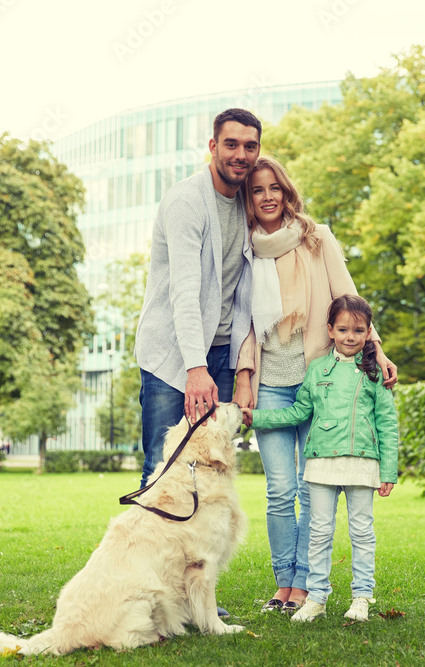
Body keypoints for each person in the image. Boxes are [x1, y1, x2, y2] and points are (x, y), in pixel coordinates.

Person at [235, 157, 397, 614]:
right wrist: (244, 376)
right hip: (270, 381)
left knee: (311, 489)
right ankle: (283, 583)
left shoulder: (316, 237)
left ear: (287, 193)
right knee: (280, 490)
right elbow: (242, 320)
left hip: (315, 380)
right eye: (257, 190)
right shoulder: (245, 249)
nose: (267, 196)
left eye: (274, 188)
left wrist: (377, 348)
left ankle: (306, 587)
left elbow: (349, 295)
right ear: (248, 199)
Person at [243, 294, 398, 622]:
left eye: (358, 330)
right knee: (319, 532)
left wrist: (389, 471)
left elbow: (387, 423)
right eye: (343, 329)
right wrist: (256, 419)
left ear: (369, 332)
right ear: (329, 330)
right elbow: (299, 411)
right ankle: (316, 597)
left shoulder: (373, 373)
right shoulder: (316, 370)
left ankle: (362, 597)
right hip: (321, 464)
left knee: (361, 531)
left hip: (362, 463)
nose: (350, 336)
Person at [134, 107, 261, 488]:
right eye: (231, 144)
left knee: (214, 462)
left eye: (250, 146)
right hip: (173, 353)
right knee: (164, 462)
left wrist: (243, 372)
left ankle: (198, 547)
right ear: (212, 146)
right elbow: (185, 293)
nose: (241, 154)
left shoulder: (248, 203)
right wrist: (195, 368)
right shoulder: (187, 201)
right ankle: (147, 547)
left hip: (222, 351)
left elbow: (247, 296)